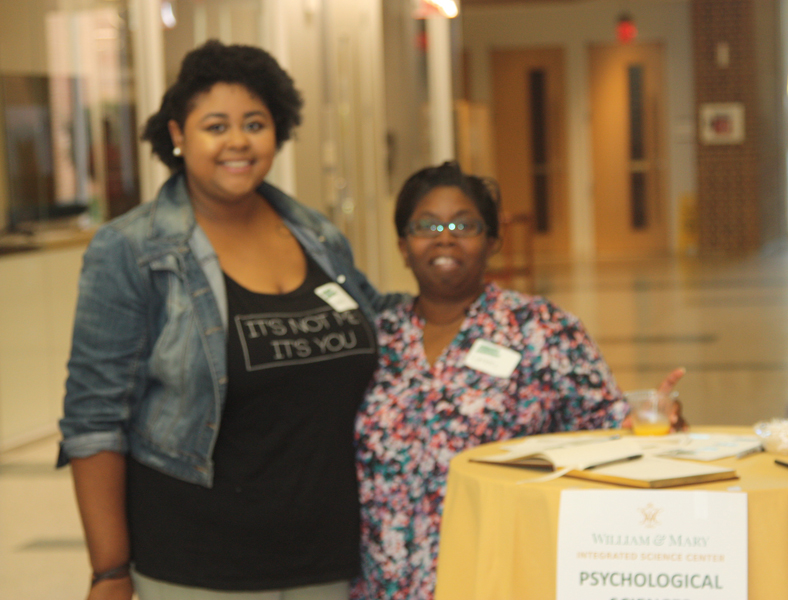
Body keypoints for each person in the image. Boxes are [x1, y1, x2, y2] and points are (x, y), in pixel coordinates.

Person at [58, 40, 401, 600]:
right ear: (178, 135)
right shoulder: (131, 250)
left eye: (255, 123)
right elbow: (94, 418)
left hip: (326, 555)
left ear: (278, 132)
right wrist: (110, 570)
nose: (238, 141)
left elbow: (380, 319)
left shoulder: (316, 235)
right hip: (198, 563)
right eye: (216, 125)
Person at [350, 162, 685, 600]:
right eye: (426, 225)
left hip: (500, 572)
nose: (445, 236)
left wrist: (652, 417)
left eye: (464, 224)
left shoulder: (540, 327)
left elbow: (607, 422)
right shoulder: (373, 337)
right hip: (384, 581)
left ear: (492, 241)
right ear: (403, 245)